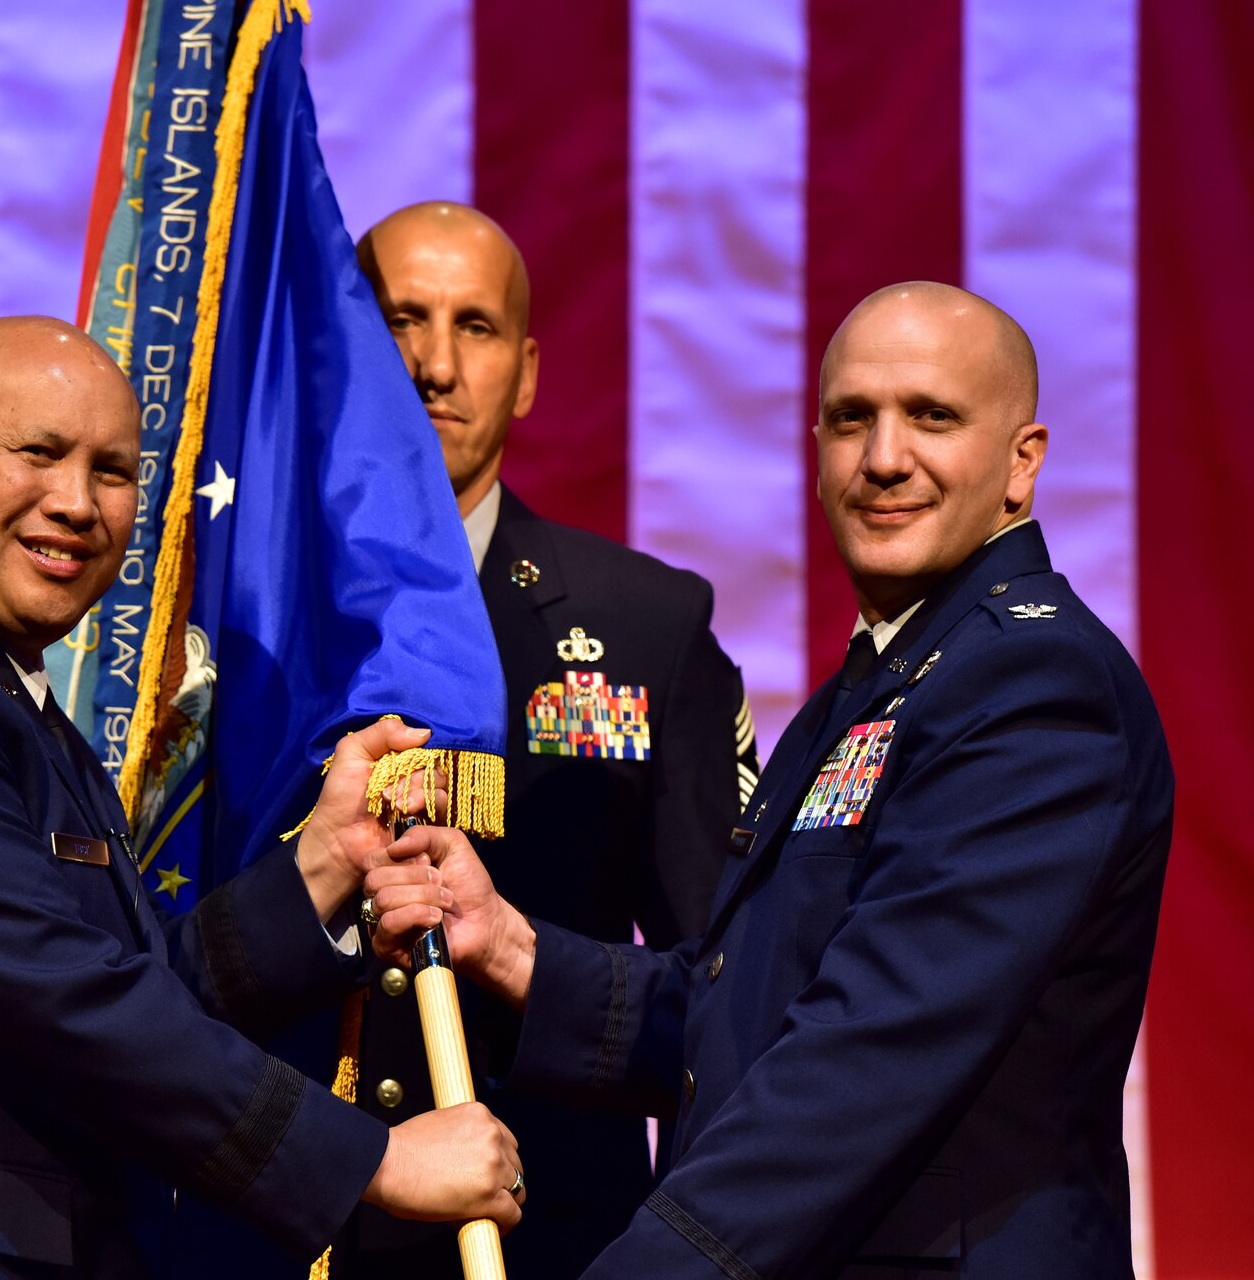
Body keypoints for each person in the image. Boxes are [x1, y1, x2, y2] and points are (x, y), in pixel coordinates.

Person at [372, 282, 1175, 1277]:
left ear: (1021, 464)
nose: (883, 458)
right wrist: (512, 946)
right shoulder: (879, 681)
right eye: (851, 419)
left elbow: (864, 1058)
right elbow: (744, 1006)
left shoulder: (1030, 684)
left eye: (930, 415)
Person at [0, 316, 523, 1279]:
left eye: (111, 470)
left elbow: (127, 982)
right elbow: (62, 996)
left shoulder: (2, 691)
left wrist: (319, 869)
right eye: (39, 454)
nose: (76, 503)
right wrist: (374, 1159)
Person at [331, 202, 758, 1279]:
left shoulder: (645, 630)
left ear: (523, 375)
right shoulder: (238, 623)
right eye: (399, 320)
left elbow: (727, 997)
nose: (432, 364)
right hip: (283, 1236)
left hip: (552, 1245)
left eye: (471, 327)